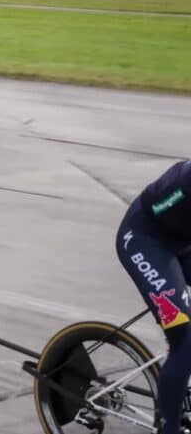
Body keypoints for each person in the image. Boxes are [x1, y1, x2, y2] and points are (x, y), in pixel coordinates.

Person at [116, 160, 191, 434]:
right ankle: (168, 428)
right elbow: (161, 210)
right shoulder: (185, 180)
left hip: (180, 242)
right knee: (185, 339)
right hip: (145, 240)